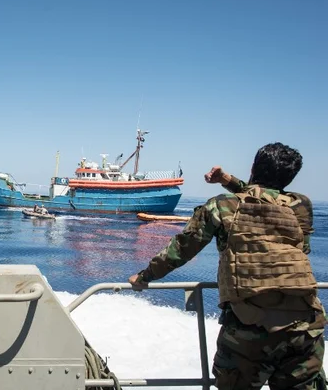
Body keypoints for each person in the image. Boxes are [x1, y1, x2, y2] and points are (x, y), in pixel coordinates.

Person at [128, 142, 326, 390]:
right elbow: (269, 201)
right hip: (306, 329)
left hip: (249, 329)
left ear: (253, 167)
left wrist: (145, 276)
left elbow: (182, 249)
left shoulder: (221, 205)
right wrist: (228, 180)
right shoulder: (301, 206)